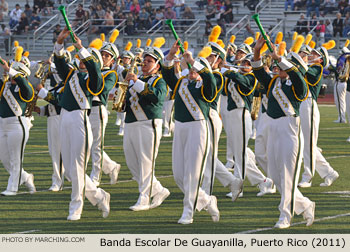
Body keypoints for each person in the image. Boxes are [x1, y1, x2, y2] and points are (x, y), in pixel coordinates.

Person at [252, 36, 315, 229]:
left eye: (282, 66)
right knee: (275, 174)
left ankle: (285, 216)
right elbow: (257, 70)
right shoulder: (273, 83)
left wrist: (280, 58)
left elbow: (296, 75)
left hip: (289, 128)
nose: (277, 68)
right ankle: (304, 204)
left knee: (287, 174)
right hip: (273, 127)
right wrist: (257, 50)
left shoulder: (299, 84)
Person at [53, 28, 110, 221]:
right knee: (69, 170)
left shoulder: (93, 78)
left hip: (80, 120)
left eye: (86, 59)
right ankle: (99, 195)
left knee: (77, 167)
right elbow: (60, 63)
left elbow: (95, 75)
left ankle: (76, 207)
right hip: (65, 119)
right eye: (81, 58)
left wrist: (83, 50)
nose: (82, 61)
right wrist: (60, 43)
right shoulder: (72, 74)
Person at [162, 41, 220, 224]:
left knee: (193, 173)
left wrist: (194, 62)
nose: (193, 71)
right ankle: (206, 200)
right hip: (180, 128)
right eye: (191, 68)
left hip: (197, 128)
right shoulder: (181, 82)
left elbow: (210, 81)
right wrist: (171, 55)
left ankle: (188, 211)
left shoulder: (206, 85)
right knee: (179, 174)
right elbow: (166, 73)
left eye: (197, 68)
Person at [123, 39, 170, 211]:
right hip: (131, 123)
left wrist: (135, 83)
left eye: (149, 61)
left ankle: (144, 198)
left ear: (157, 66)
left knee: (145, 162)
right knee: (131, 162)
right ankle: (158, 190)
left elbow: (157, 97)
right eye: (145, 60)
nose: (145, 63)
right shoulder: (135, 80)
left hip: (148, 123)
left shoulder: (159, 81)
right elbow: (127, 102)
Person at [298, 44, 339, 188]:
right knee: (307, 144)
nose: (310, 55)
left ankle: (307, 176)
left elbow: (304, 71)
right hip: (301, 105)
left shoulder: (317, 69)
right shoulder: (307, 66)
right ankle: (329, 172)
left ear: (321, 60)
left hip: (309, 105)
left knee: (308, 144)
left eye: (314, 54)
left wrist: (299, 59)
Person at [0, 49, 36, 196]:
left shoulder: (25, 87)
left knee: (16, 158)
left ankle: (12, 188)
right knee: (4, 158)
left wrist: (11, 70)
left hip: (17, 125)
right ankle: (26, 177)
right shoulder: (6, 86)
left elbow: (27, 91)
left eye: (14, 72)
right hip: (2, 125)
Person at [89, 37, 122, 187]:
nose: (103, 57)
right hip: (85, 109)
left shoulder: (111, 74)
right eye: (102, 54)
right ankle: (111, 166)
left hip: (97, 109)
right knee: (88, 144)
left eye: (107, 56)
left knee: (96, 145)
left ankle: (95, 176)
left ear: (113, 60)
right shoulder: (91, 69)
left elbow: (101, 89)